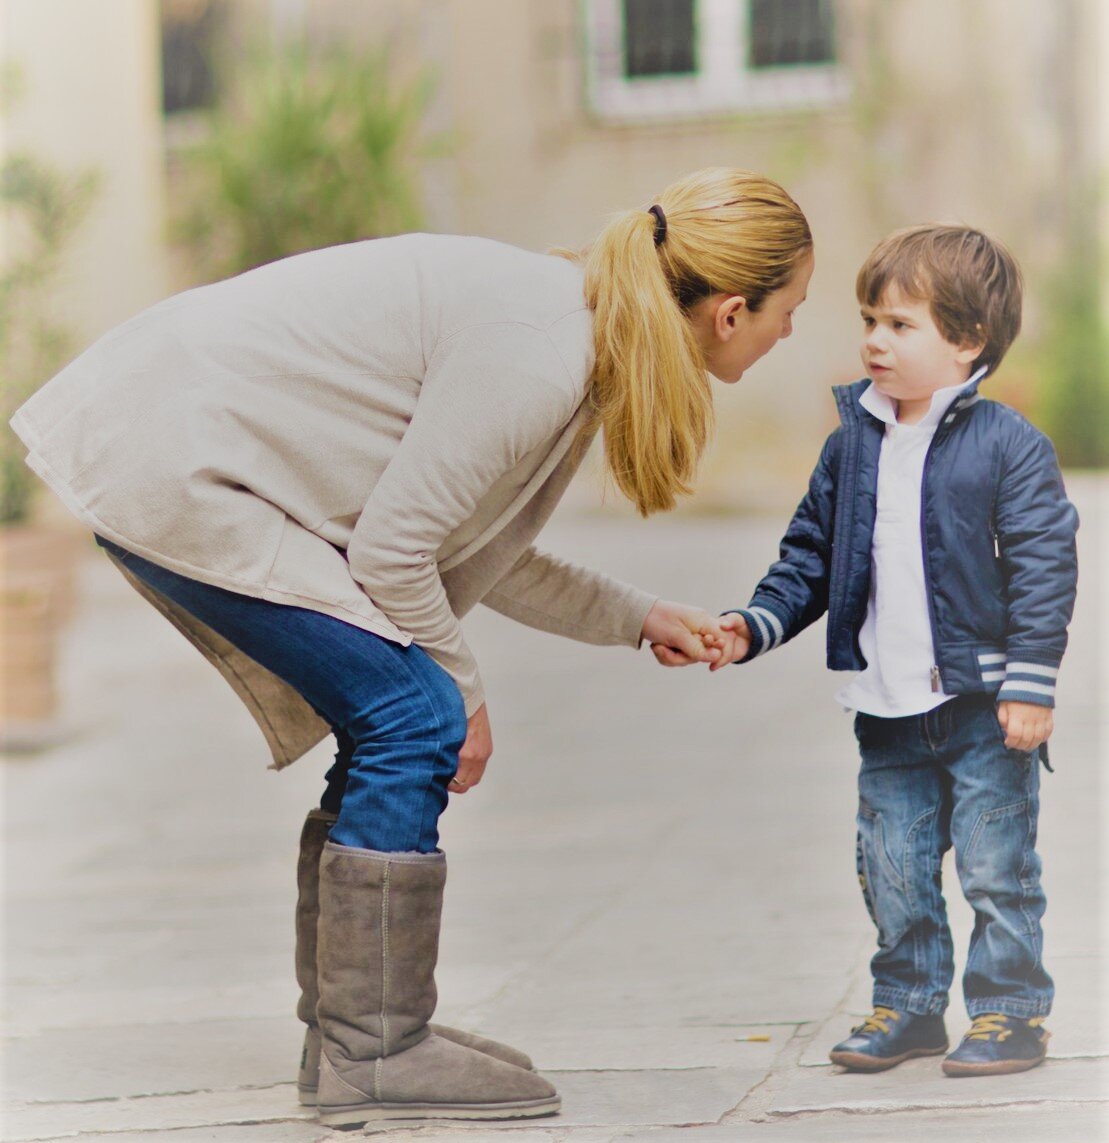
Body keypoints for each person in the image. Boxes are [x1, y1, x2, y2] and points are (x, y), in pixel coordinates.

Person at [10, 167, 814, 1125]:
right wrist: (464, 697)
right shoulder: (542, 349)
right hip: (176, 458)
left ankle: (356, 1030)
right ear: (730, 312)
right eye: (790, 310)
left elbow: (470, 543)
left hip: (180, 447)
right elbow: (396, 550)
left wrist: (637, 614)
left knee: (393, 708)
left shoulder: (573, 332)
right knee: (412, 712)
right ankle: (375, 1045)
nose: (790, 332)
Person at [708, 225, 1078, 1077]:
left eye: (900, 324)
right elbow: (808, 555)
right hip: (885, 708)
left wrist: (1029, 683)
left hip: (983, 705)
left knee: (996, 865)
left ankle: (1008, 1012)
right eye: (869, 318)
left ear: (966, 340)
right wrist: (753, 623)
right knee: (893, 867)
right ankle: (909, 1005)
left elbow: (1042, 563)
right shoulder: (851, 447)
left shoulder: (1006, 445)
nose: (873, 339)